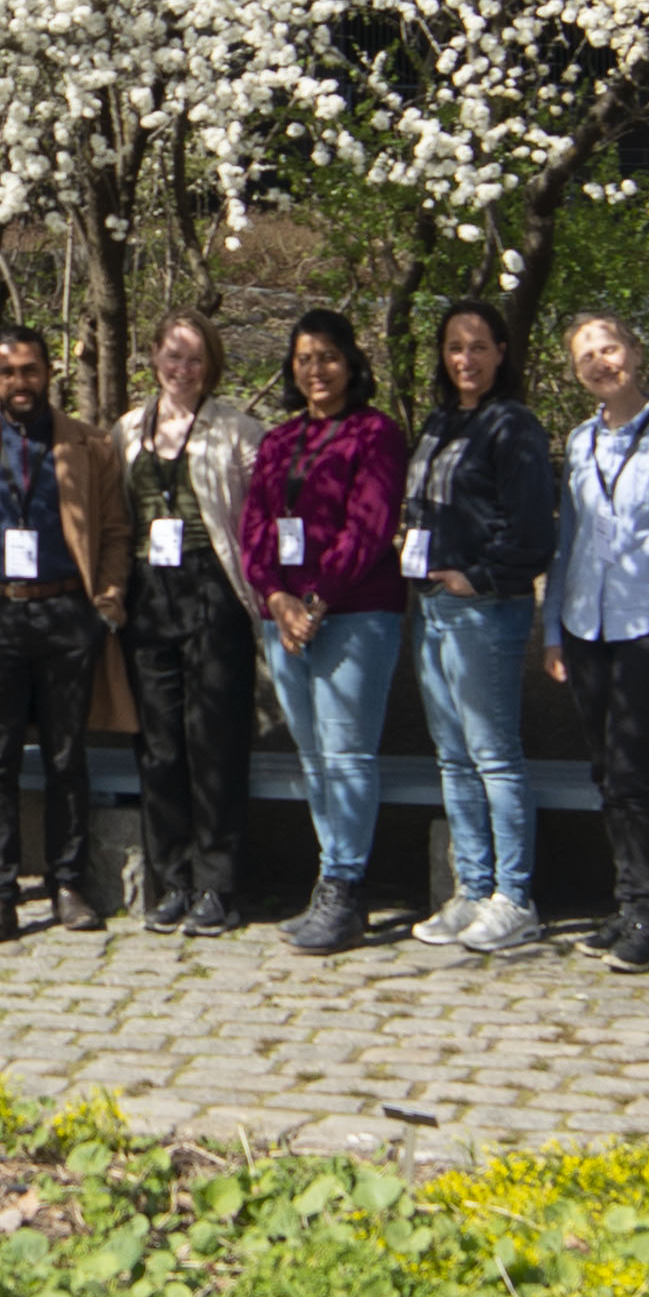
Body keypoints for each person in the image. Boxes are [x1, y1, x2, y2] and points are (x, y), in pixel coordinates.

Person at [0, 323, 129, 942]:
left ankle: (69, 885)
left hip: (66, 614)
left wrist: (107, 605)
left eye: (30, 370)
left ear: (48, 373)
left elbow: (115, 532)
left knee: (68, 756)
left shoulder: (90, 447)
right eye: (7, 373)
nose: (19, 383)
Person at [541, 313, 649, 971]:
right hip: (587, 623)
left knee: (631, 765)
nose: (599, 362)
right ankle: (624, 901)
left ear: (635, 353)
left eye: (609, 348)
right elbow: (569, 542)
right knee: (603, 769)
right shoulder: (581, 440)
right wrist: (552, 627)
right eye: (586, 355)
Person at [242, 309, 409, 958]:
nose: (317, 369)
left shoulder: (376, 433)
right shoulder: (279, 441)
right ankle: (329, 876)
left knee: (347, 754)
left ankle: (345, 886)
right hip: (285, 618)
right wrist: (277, 598)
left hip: (355, 614)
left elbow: (368, 527)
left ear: (352, 363)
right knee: (314, 757)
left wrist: (316, 601)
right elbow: (254, 527)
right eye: (305, 358)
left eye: (329, 357)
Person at [400, 297, 561, 962]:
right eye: (454, 347)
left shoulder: (512, 426)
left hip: (483, 609)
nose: (465, 359)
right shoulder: (442, 421)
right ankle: (473, 885)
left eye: (478, 347)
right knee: (453, 756)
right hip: (433, 605)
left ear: (501, 353)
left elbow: (531, 530)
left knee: (494, 753)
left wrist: (482, 576)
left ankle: (514, 898)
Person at [116, 311, 261, 932]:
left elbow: (258, 520)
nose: (183, 370)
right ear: (154, 358)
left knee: (215, 745)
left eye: (195, 359)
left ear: (213, 364)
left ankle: (219, 885)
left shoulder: (237, 430)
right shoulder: (126, 430)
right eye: (173, 357)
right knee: (159, 747)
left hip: (212, 594)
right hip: (150, 597)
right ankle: (171, 878)